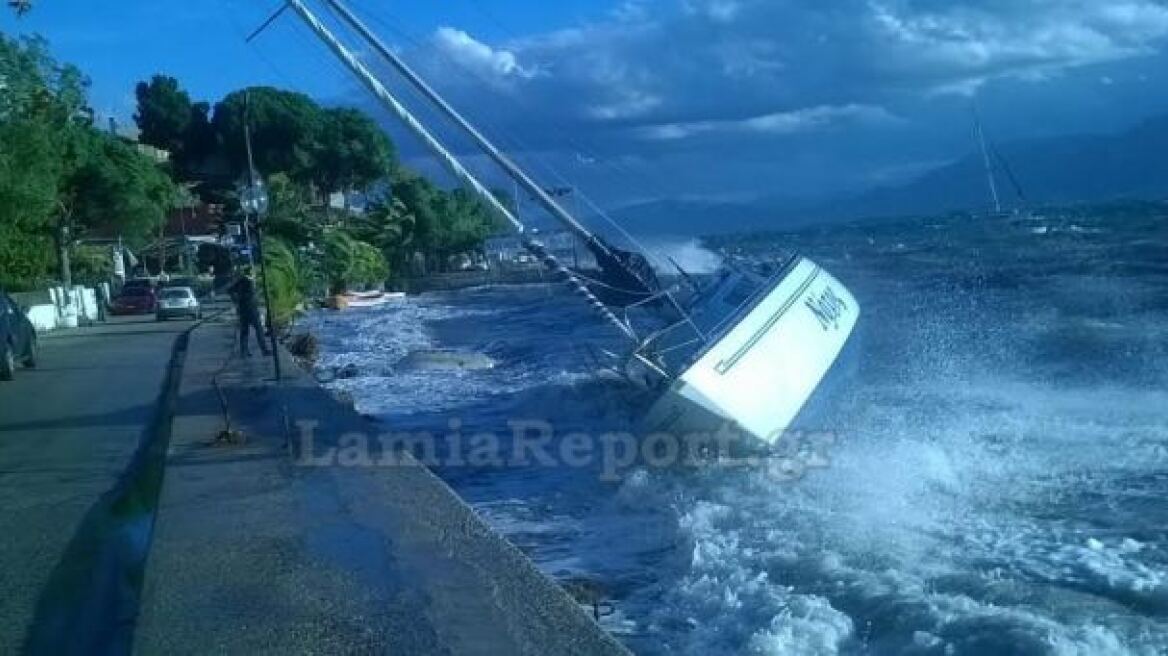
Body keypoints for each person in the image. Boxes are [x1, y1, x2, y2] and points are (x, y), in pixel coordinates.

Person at [226, 267, 271, 357]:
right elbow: (248, 295)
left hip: (243, 310)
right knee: (259, 330)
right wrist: (239, 299)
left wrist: (235, 300)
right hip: (251, 310)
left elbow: (229, 290)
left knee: (244, 331)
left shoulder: (240, 281)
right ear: (250, 273)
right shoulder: (248, 282)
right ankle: (264, 350)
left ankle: (244, 351)